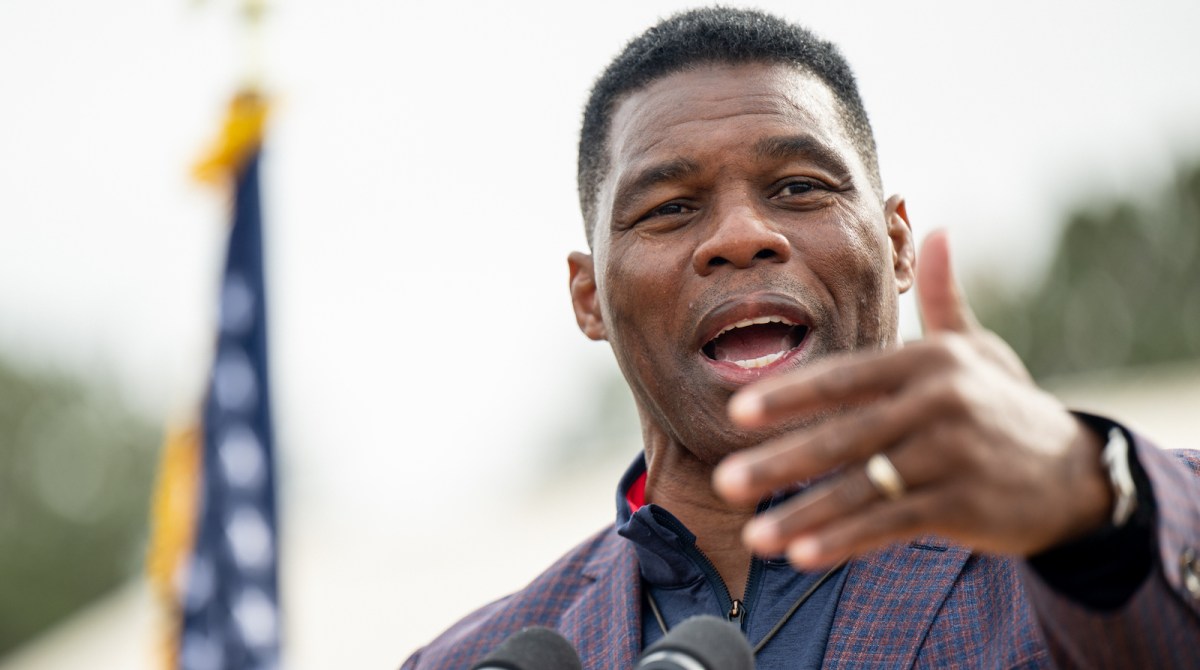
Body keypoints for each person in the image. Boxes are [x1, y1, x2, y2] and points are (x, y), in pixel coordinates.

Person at [402, 7, 1200, 668]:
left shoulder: (1093, 527)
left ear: (894, 245)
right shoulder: (472, 658)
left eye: (797, 188)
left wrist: (1093, 511)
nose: (742, 235)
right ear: (590, 299)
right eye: (671, 208)